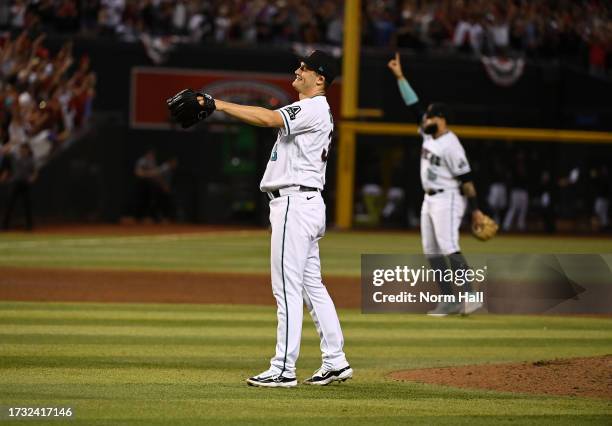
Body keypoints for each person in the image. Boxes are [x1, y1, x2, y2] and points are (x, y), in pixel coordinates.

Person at [185, 50, 352, 387]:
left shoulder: (313, 107)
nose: (297, 70)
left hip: (295, 202)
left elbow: (268, 118)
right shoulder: (315, 110)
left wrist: (217, 104)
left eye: (304, 68)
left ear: (320, 79)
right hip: (306, 202)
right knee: (310, 287)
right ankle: (335, 361)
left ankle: (283, 369)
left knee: (287, 289)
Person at [387, 52, 486, 317]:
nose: (425, 120)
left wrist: (475, 209)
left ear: (441, 118)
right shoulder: (429, 134)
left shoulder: (452, 145)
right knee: (431, 250)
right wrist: (400, 77)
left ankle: (470, 297)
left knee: (448, 246)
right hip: (429, 199)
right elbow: (414, 106)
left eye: (429, 117)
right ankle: (449, 300)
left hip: (449, 198)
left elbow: (467, 180)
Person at [2, 143, 37, 230]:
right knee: (10, 204)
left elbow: (35, 172)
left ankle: (29, 226)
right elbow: (5, 152)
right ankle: (5, 225)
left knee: (27, 205)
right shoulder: (15, 157)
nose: (23, 150)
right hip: (15, 183)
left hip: (25, 184)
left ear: (28, 150)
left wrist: (32, 178)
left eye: (25, 149)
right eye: (22, 149)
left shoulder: (31, 159)